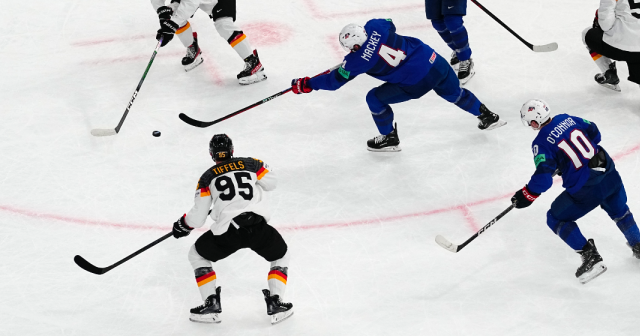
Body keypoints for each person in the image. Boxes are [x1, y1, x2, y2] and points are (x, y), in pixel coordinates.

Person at [289, 19, 506, 152]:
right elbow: (390, 23)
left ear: (354, 45)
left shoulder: (356, 61)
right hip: (434, 61)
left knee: (374, 98)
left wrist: (308, 84)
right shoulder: (375, 27)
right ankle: (487, 116)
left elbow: (334, 81)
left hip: (415, 82)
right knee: (454, 94)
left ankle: (389, 138)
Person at [512, 99, 640, 284]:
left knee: (555, 218)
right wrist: (569, 160)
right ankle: (639, 247)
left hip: (586, 189)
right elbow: (594, 132)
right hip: (609, 174)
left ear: (534, 122)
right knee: (620, 211)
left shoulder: (540, 142)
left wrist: (527, 194)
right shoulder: (567, 118)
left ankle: (590, 256)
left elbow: (544, 179)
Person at [171, 134, 293, 324]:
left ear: (212, 154)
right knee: (280, 255)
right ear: (232, 150)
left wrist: (183, 224)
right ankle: (276, 302)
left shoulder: (207, 177)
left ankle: (211, 303)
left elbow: (197, 217)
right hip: (257, 227)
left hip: (228, 232)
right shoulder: (251, 164)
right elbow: (272, 183)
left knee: (197, 255)